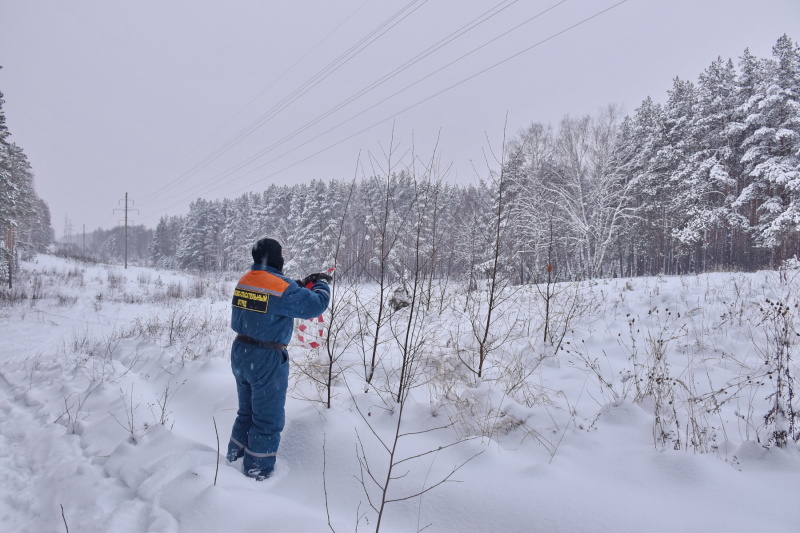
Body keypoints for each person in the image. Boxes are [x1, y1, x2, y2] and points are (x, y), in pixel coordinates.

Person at [226, 237, 331, 480]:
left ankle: (234, 460)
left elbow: (273, 291)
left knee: (247, 413)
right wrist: (321, 285)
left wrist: (301, 284)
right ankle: (256, 473)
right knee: (267, 420)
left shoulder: (246, 280)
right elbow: (314, 306)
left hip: (241, 353)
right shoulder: (279, 287)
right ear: (276, 258)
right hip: (266, 358)